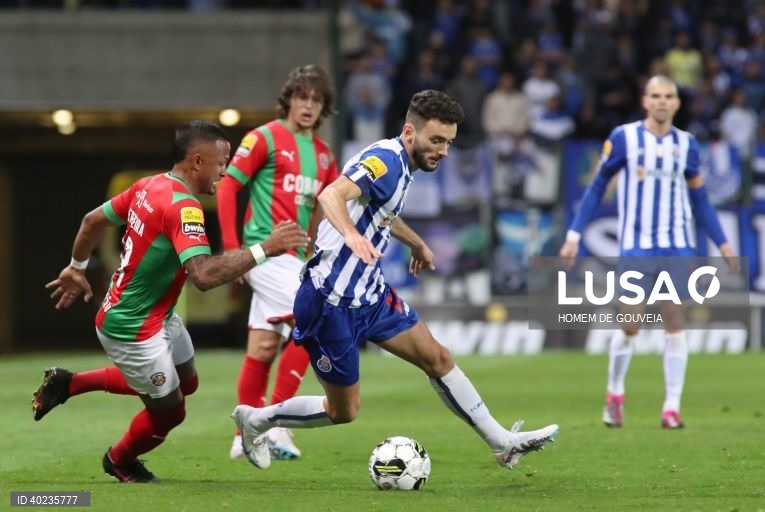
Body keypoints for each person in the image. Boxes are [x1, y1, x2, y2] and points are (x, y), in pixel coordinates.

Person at [231, 90, 559, 471]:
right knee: (344, 411)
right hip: (329, 301)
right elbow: (331, 195)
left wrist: (417, 243)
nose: (443, 151)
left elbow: (383, 210)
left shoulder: (403, 167)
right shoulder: (385, 160)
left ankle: (502, 443)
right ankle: (256, 420)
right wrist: (353, 237)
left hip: (369, 296)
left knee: (438, 358)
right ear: (409, 132)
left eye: (449, 143)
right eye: (436, 141)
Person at [32, 120, 309, 483]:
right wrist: (265, 249)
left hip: (157, 316)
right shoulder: (185, 208)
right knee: (171, 413)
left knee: (186, 383)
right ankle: (119, 460)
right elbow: (205, 276)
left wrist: (76, 267)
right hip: (132, 329)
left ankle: (70, 383)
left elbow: (91, 221)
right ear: (196, 161)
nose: (224, 172)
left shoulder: (148, 185)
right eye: (221, 162)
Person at [559, 76, 739, 429]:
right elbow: (597, 187)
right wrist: (573, 234)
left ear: (676, 104)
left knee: (675, 325)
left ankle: (671, 407)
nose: (661, 101)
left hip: (677, 245)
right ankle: (614, 395)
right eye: (655, 95)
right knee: (630, 324)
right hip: (636, 245)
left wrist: (723, 243)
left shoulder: (687, 145)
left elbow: (699, 197)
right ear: (645, 101)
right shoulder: (624, 138)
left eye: (668, 96)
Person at [216, 64, 339, 461]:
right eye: (301, 97)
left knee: (265, 346)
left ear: (323, 108)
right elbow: (229, 185)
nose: (307, 106)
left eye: (315, 100)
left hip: (296, 261)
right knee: (315, 324)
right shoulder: (264, 137)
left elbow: (329, 207)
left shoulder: (323, 156)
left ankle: (242, 436)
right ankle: (279, 424)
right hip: (264, 252)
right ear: (288, 100)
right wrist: (234, 252)